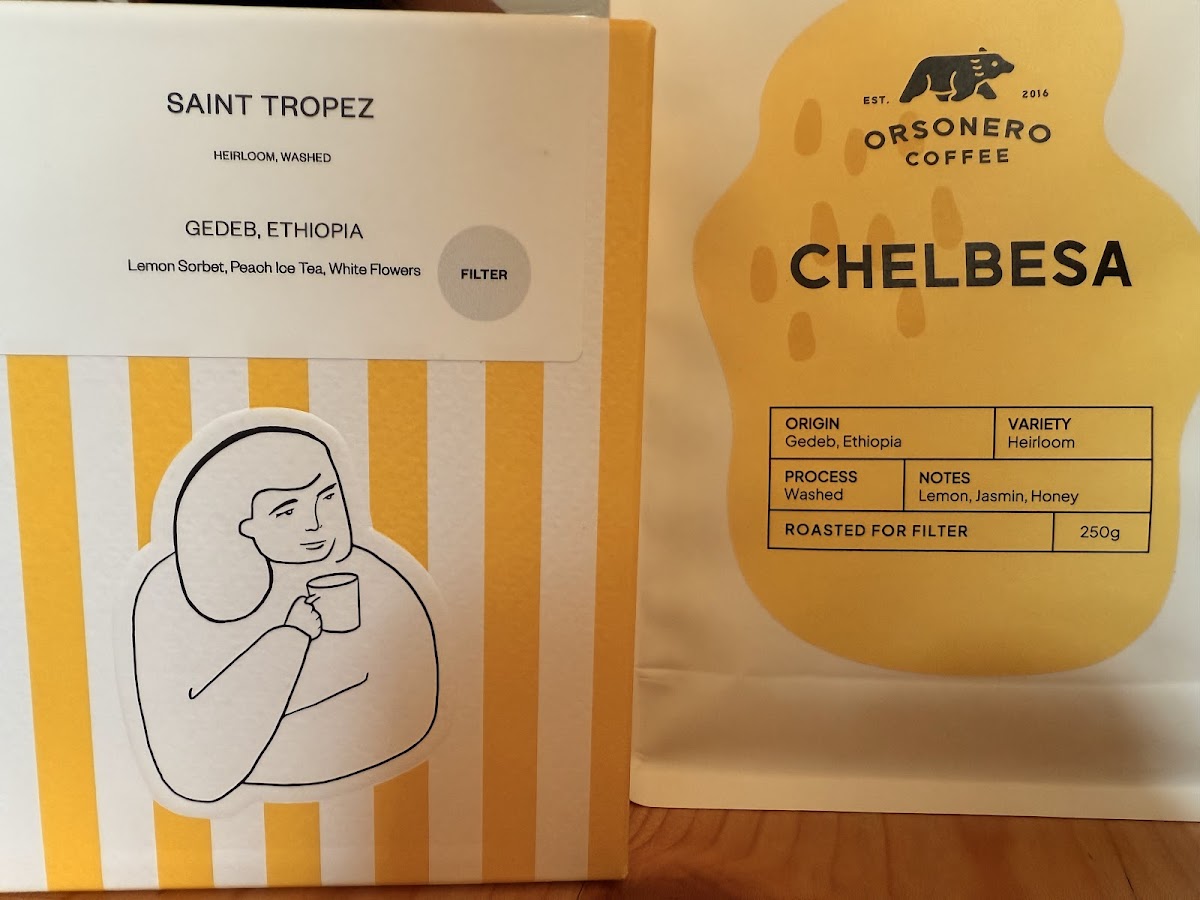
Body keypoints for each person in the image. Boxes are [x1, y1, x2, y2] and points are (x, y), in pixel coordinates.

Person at [131, 423, 439, 804]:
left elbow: (411, 704)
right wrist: (291, 636)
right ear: (242, 524)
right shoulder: (172, 593)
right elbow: (193, 767)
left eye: (326, 497)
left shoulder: (369, 573)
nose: (315, 523)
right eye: (287, 510)